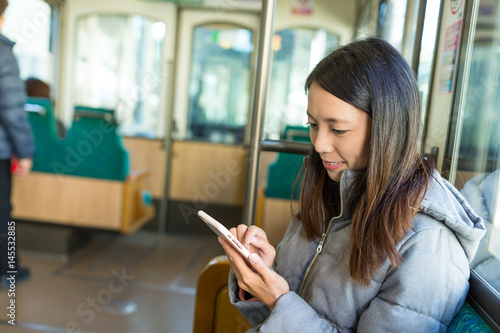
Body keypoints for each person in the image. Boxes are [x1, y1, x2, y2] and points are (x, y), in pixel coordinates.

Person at [219, 38, 486, 332]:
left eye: (338, 129)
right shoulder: (330, 190)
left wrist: (278, 299)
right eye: (313, 124)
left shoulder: (429, 246)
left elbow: (285, 309)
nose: (319, 144)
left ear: (387, 127)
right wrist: (262, 275)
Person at [0, 0, 35, 286]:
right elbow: (11, 108)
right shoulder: (2, 53)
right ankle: (7, 271)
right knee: (2, 213)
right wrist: (24, 152)